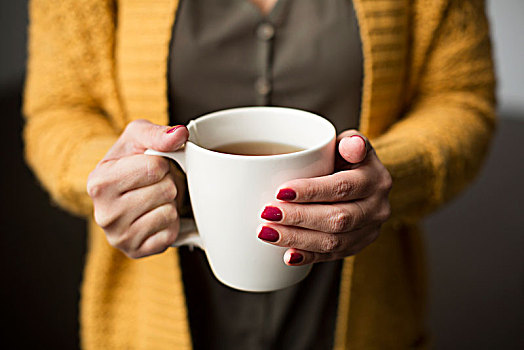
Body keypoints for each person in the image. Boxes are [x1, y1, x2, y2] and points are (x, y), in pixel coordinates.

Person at [23, 0, 496, 349]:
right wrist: (115, 177)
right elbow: (60, 109)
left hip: (360, 319)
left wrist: (385, 175)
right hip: (149, 322)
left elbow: (461, 97)